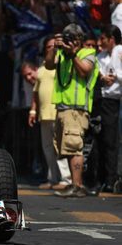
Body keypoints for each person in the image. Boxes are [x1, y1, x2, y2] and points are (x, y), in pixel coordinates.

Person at [45, 24, 99, 198]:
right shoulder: (62, 53)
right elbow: (48, 65)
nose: (69, 42)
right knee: (66, 148)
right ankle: (74, 184)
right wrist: (54, 47)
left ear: (79, 40)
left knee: (74, 147)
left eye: (72, 39)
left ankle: (77, 186)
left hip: (76, 109)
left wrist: (73, 54)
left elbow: (84, 71)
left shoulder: (88, 54)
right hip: (62, 107)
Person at [25, 37, 71, 190]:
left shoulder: (62, 65)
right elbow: (36, 93)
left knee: (59, 147)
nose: (52, 48)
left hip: (57, 112)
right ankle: (53, 178)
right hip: (44, 114)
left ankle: (66, 179)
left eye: (54, 46)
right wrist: (33, 110)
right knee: (47, 148)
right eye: (49, 46)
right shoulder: (42, 69)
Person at [87, 25, 122, 194]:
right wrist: (102, 77)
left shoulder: (118, 52)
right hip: (99, 99)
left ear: (112, 39)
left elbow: (117, 72)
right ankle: (99, 178)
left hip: (113, 101)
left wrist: (115, 76)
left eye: (103, 39)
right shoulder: (100, 56)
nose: (100, 43)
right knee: (98, 140)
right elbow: (96, 72)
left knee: (110, 140)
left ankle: (111, 179)